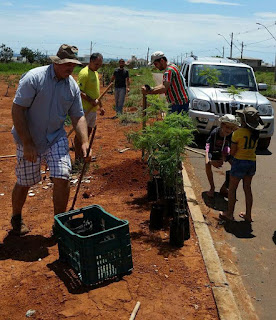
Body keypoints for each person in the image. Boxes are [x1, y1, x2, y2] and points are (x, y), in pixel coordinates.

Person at [11, 44, 91, 236]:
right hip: (28, 138)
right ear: (56, 63)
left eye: (73, 64)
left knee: (63, 177)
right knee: (25, 181)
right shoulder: (34, 78)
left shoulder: (72, 86)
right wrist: (28, 143)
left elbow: (78, 116)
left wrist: (85, 142)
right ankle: (16, 217)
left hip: (55, 137)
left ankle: (59, 224)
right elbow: (17, 109)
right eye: (67, 64)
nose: (71, 68)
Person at [219, 107, 264, 222]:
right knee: (247, 188)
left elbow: (233, 152)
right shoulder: (255, 134)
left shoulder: (237, 133)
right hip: (251, 162)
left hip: (239, 162)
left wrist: (227, 156)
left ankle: (229, 213)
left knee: (233, 188)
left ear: (244, 121)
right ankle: (248, 215)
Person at [74, 53, 105, 162]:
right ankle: (78, 159)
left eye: (100, 65)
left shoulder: (95, 73)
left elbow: (96, 92)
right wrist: (91, 101)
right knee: (81, 135)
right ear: (90, 61)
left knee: (88, 132)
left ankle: (84, 155)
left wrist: (100, 106)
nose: (98, 66)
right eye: (96, 64)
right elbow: (79, 91)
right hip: (85, 109)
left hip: (93, 110)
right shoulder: (84, 73)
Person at [205, 114, 239, 198]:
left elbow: (232, 151)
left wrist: (225, 157)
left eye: (231, 129)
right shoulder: (215, 133)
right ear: (222, 125)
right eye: (227, 127)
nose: (229, 130)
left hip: (225, 151)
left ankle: (224, 188)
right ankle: (212, 187)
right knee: (207, 164)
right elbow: (208, 148)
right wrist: (210, 160)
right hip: (213, 150)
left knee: (237, 167)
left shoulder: (232, 136)